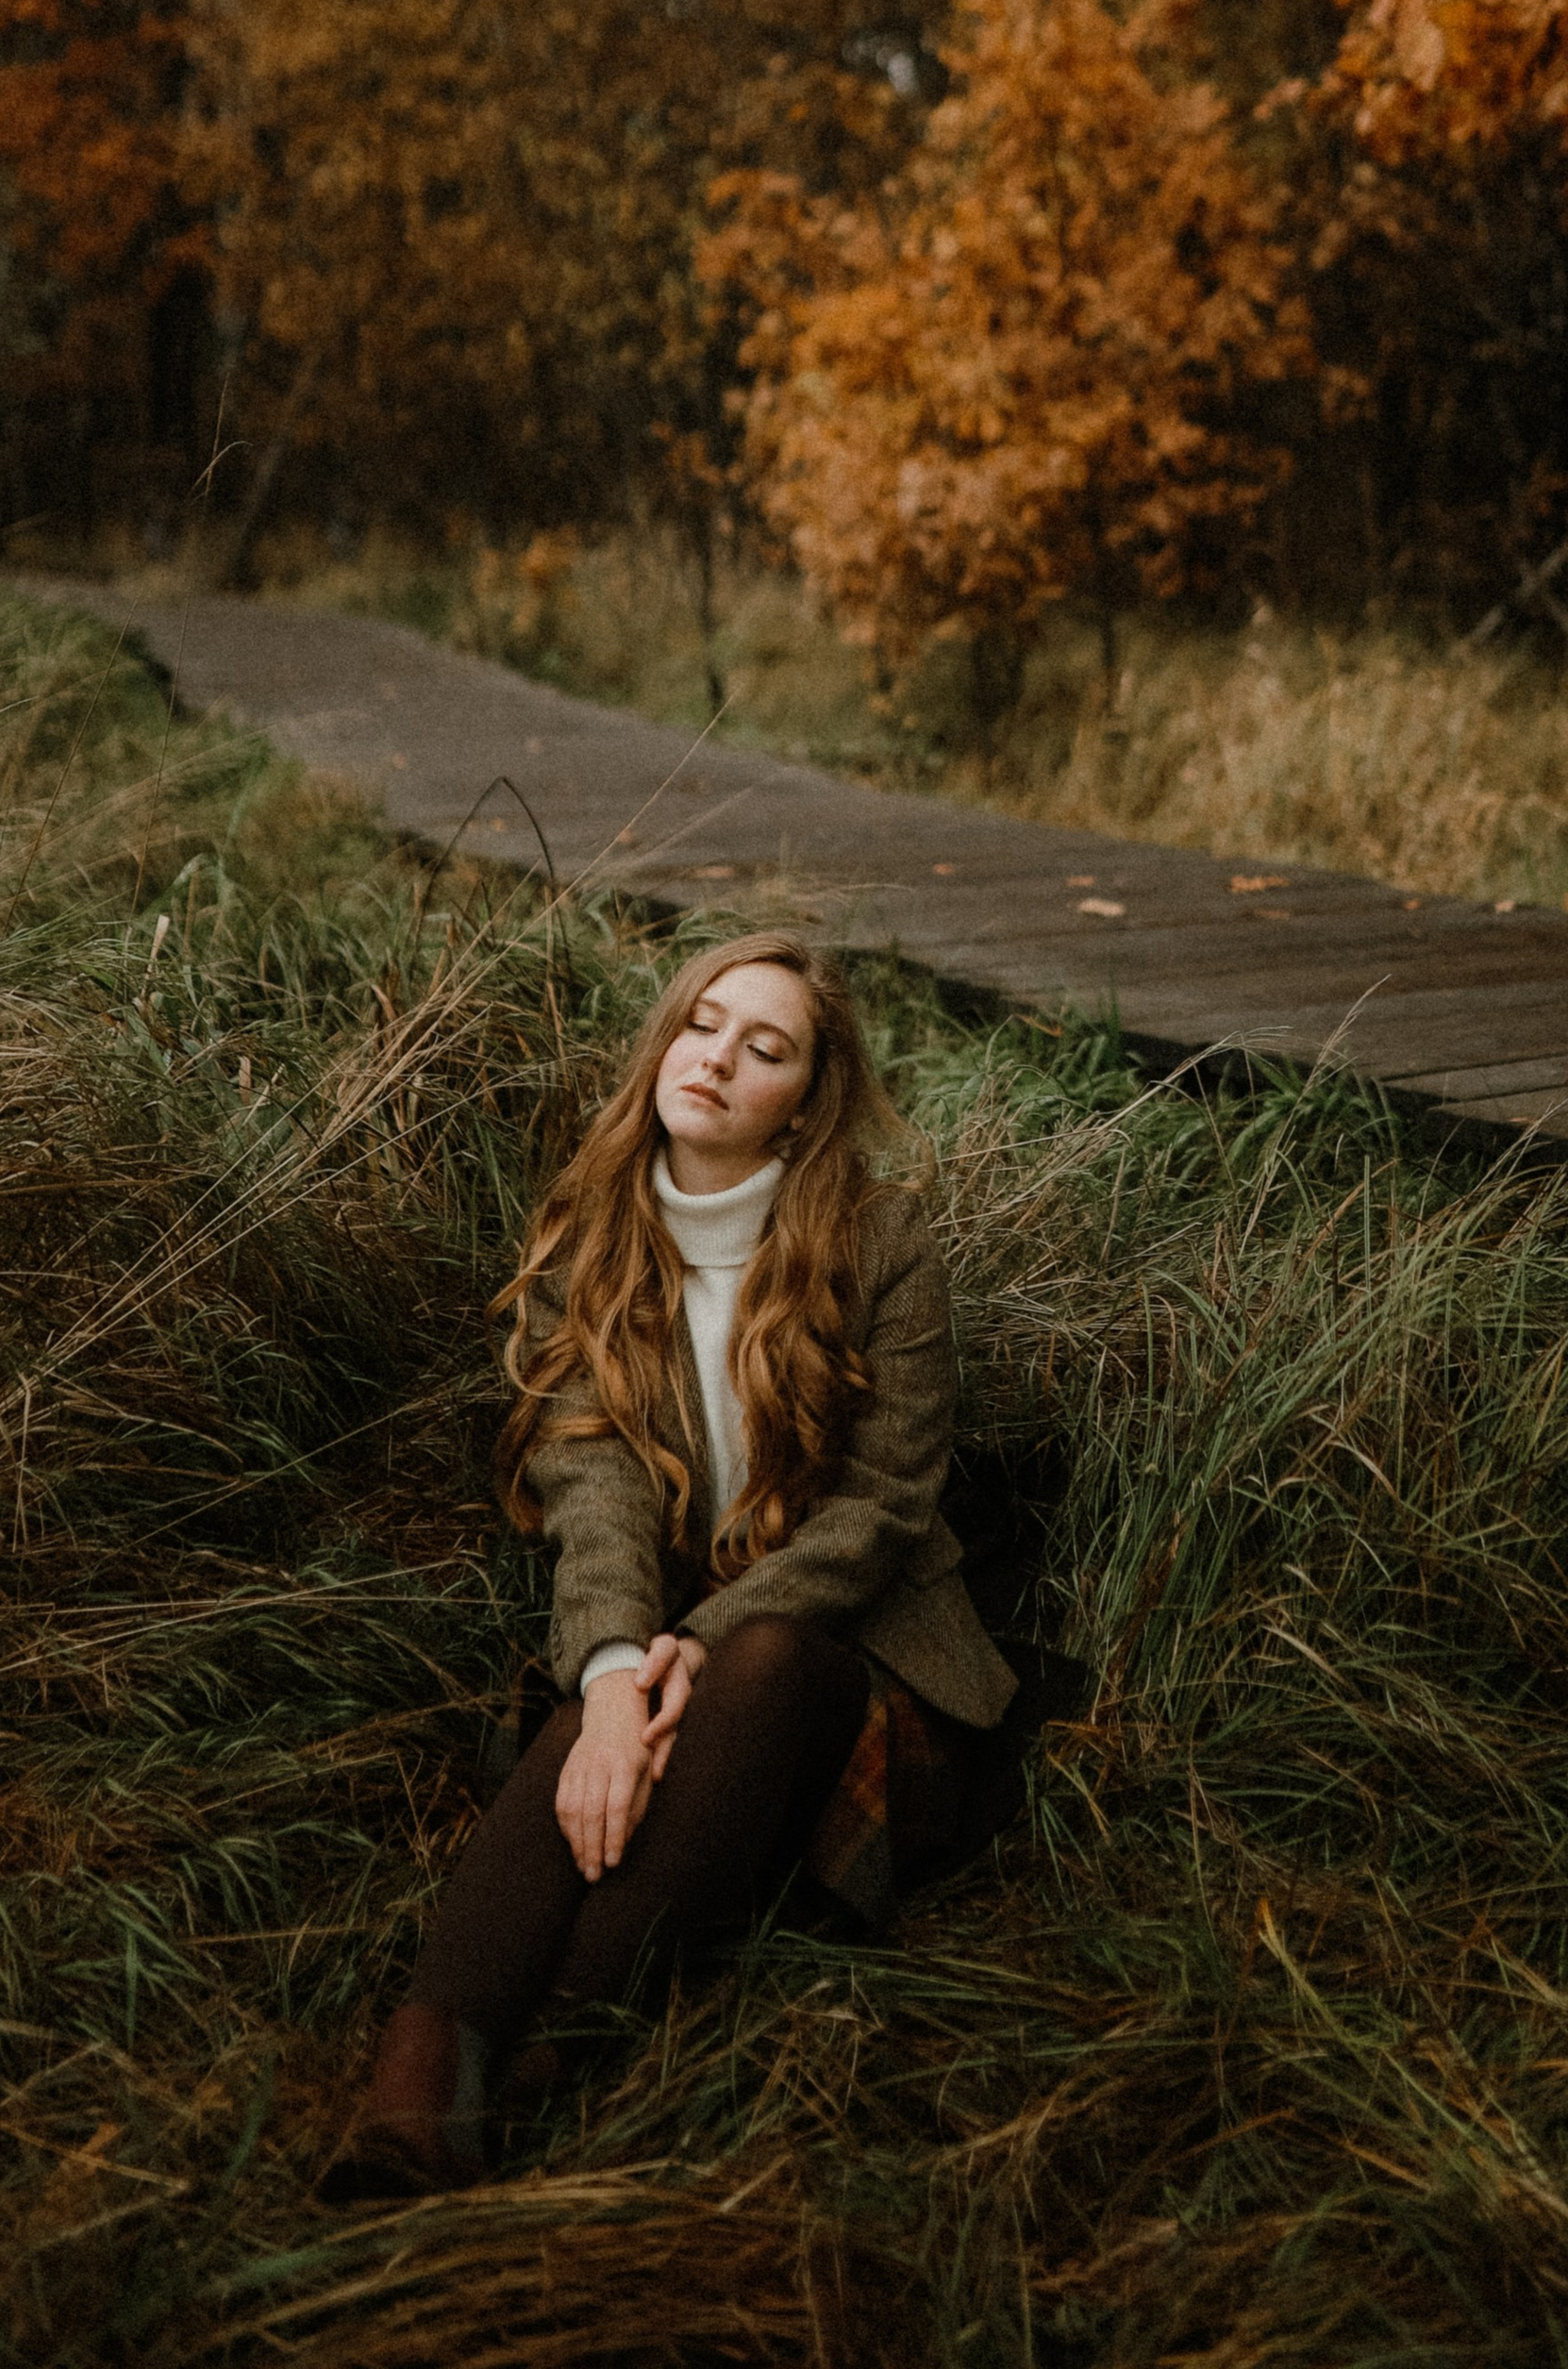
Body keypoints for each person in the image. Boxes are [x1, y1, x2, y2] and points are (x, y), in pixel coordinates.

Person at [318, 927, 1016, 2198]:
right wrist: (615, 1676)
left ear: (805, 1104)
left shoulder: (881, 1239)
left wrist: (689, 1647)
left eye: (767, 1048)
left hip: (855, 1645)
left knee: (758, 1659)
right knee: (604, 1721)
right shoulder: (593, 1232)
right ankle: (417, 2094)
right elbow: (591, 1489)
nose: (717, 1059)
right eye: (702, 1024)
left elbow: (883, 1506)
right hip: (671, 1607)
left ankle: (544, 2062)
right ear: (663, 1042)